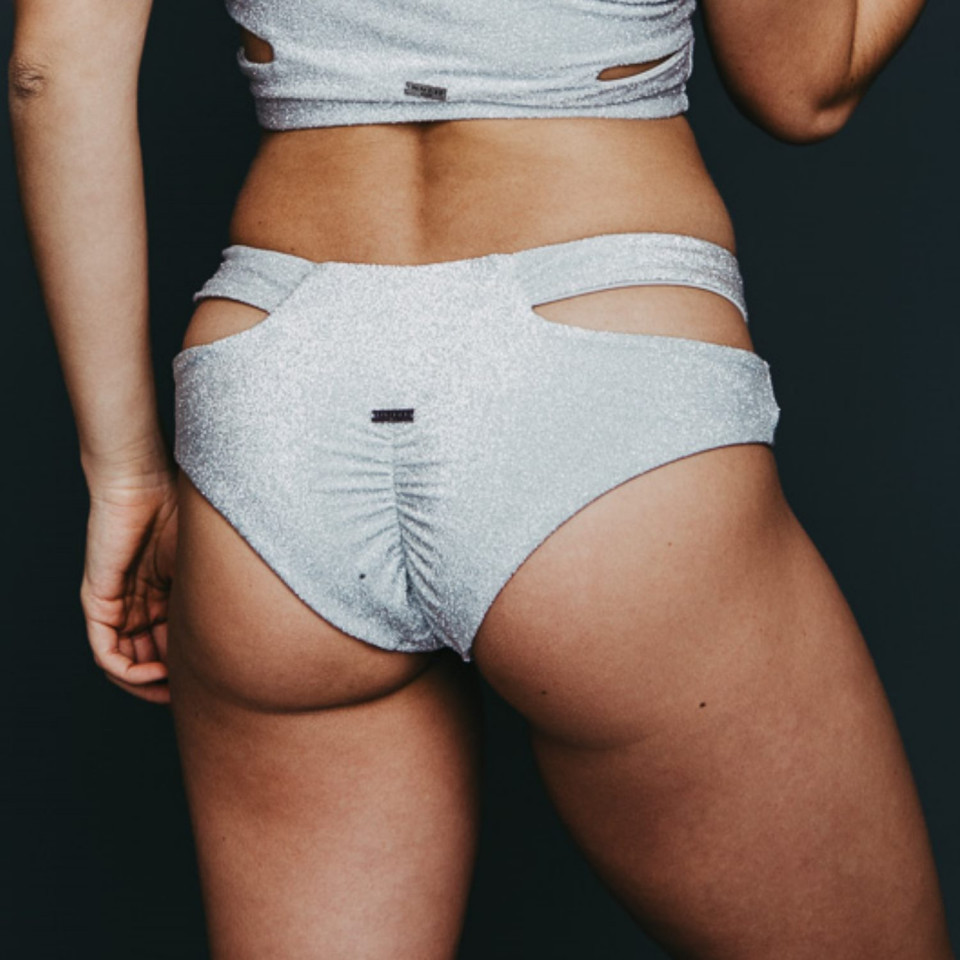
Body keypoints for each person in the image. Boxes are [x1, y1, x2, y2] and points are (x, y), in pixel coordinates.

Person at [9, 0, 953, 957]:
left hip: (277, 388)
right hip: (595, 367)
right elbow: (802, 89)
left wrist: (125, 474)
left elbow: (50, 73)